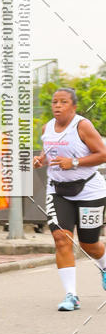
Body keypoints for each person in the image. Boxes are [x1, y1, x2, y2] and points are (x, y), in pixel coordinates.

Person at [34, 87, 106, 311]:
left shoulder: (82, 126)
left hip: (89, 191)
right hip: (58, 191)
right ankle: (71, 295)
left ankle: (103, 267)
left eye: (63, 102)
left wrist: (74, 163)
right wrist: (41, 160)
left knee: (89, 244)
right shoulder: (47, 128)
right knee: (62, 239)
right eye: (55, 102)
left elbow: (102, 154)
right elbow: (50, 154)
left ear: (73, 107)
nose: (57, 106)